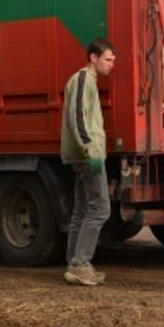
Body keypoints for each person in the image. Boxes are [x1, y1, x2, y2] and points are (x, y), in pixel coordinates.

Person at [61, 38, 116, 286]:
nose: (111, 65)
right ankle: (81, 264)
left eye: (113, 60)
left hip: (84, 155)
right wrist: (91, 151)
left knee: (82, 209)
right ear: (93, 58)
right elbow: (79, 119)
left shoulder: (87, 81)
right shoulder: (83, 79)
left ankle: (75, 263)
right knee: (100, 208)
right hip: (88, 156)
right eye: (108, 59)